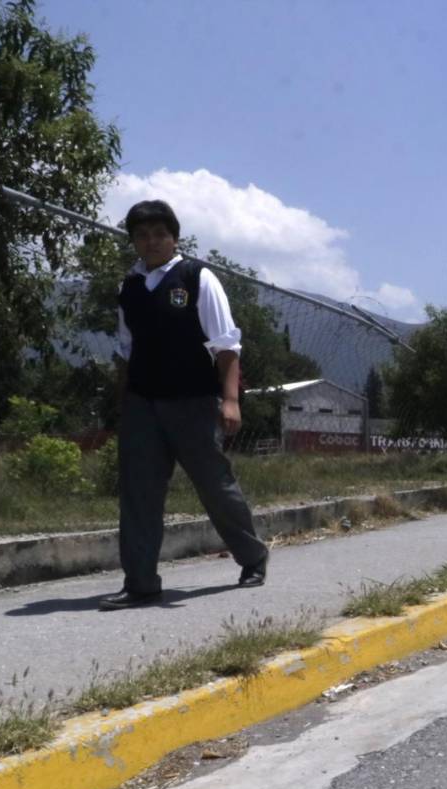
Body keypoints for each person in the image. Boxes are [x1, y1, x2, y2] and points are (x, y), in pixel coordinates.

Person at [101, 199, 270, 610]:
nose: (152, 241)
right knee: (139, 493)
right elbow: (126, 350)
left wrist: (230, 400)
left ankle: (252, 557)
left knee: (214, 485)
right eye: (142, 235)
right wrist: (123, 404)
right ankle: (141, 583)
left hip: (194, 401)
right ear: (134, 241)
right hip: (143, 403)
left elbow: (226, 346)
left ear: (174, 238)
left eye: (160, 234)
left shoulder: (196, 277)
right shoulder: (129, 287)